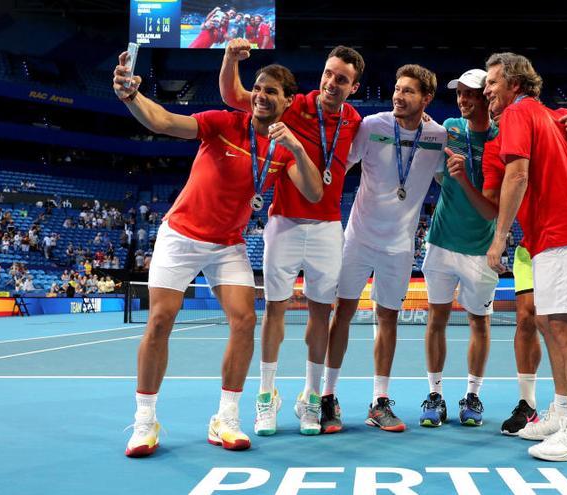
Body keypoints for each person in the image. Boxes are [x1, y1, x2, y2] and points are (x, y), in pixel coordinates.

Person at [114, 52, 322, 457]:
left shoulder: (281, 148)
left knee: (245, 321)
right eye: (258, 88)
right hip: (181, 234)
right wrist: (130, 96)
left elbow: (314, 191)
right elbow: (163, 121)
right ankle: (145, 422)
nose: (261, 96)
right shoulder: (224, 123)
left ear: (287, 102)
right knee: (159, 320)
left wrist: (296, 149)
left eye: (271, 92)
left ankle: (226, 417)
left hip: (227, 243)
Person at [221, 40, 363, 436]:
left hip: (327, 229)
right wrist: (230, 59)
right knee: (275, 310)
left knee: (322, 313)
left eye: (343, 79)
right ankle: (266, 396)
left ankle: (312, 398)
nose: (332, 83)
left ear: (353, 87)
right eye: (329, 74)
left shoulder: (355, 121)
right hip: (283, 223)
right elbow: (235, 96)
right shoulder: (293, 104)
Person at [484, 52, 567, 461]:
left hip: (563, 233)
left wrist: (499, 238)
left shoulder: (518, 115)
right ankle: (563, 411)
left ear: (515, 84)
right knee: (552, 326)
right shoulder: (553, 118)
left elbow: (517, 174)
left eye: (493, 83)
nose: (486, 90)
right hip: (555, 235)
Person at [325, 64, 447, 433]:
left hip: (399, 247)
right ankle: (328, 398)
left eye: (409, 91)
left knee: (388, 319)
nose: (399, 95)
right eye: (397, 88)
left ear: (426, 99)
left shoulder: (438, 136)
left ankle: (379, 402)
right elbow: (340, 166)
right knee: (342, 313)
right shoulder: (372, 126)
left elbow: (450, 178)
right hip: (358, 238)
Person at [418, 69, 500, 428]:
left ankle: (473, 397)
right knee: (436, 320)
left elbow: (491, 210)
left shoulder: (500, 140)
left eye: (470, 94)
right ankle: (435, 395)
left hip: (481, 248)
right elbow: (426, 133)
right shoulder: (451, 126)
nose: (463, 100)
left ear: (487, 98)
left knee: (478, 323)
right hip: (440, 244)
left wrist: (463, 178)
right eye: (460, 94)